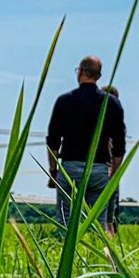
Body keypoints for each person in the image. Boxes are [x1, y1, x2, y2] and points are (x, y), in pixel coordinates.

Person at [46, 56, 126, 228]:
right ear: (99, 76)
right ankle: (95, 253)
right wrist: (114, 173)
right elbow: (119, 144)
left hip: (70, 167)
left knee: (66, 221)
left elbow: (53, 140)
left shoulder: (64, 101)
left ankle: (66, 251)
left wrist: (53, 170)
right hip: (99, 168)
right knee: (97, 222)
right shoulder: (111, 103)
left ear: (80, 72)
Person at [102, 84, 122, 236]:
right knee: (109, 215)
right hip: (111, 170)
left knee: (108, 216)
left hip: (107, 169)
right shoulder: (116, 121)